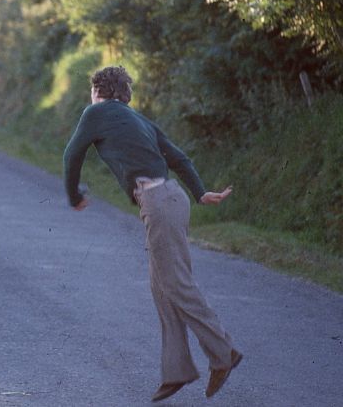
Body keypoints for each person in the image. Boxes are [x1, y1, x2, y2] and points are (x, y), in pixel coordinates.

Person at [63, 66, 241, 402]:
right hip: (170, 200)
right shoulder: (138, 119)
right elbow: (177, 156)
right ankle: (177, 371)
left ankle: (224, 353)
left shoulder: (95, 112)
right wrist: (201, 192)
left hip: (159, 203)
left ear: (97, 90)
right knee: (163, 288)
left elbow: (72, 155)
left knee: (177, 285)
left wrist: (74, 197)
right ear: (123, 93)